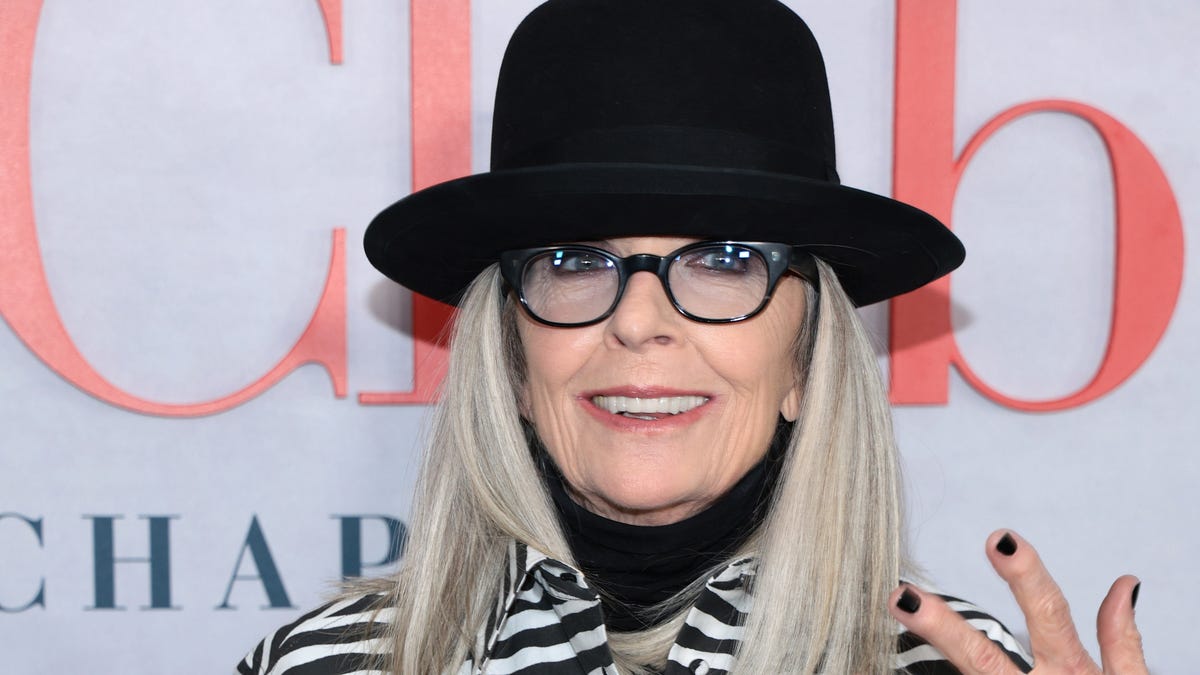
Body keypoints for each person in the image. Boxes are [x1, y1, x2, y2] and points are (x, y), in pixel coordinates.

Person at [238, 1, 1147, 673]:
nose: (637, 321)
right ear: (512, 357)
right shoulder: (325, 663)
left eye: (723, 259)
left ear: (806, 359)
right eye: (572, 259)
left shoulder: (948, 665)